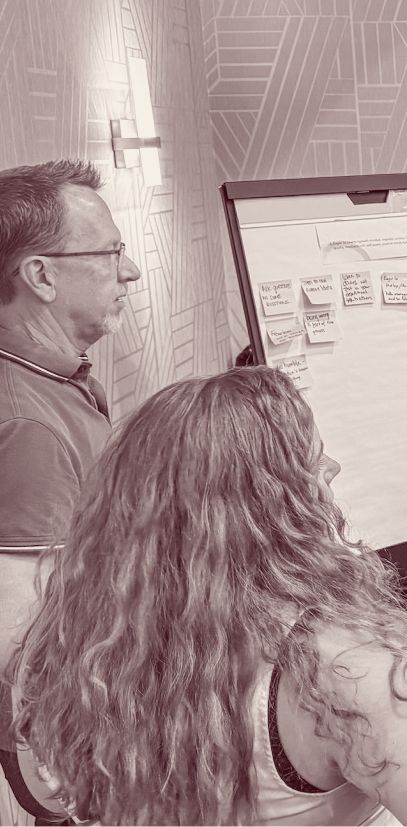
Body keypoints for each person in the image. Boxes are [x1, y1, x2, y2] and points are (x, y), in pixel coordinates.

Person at [7, 367, 407, 825]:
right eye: (311, 461)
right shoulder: (343, 671)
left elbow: (42, 790)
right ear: (271, 507)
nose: (330, 471)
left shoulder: (65, 645)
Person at [0, 159, 140, 823]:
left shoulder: (60, 378)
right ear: (42, 276)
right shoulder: (25, 421)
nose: (130, 271)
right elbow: (21, 638)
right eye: (111, 252)